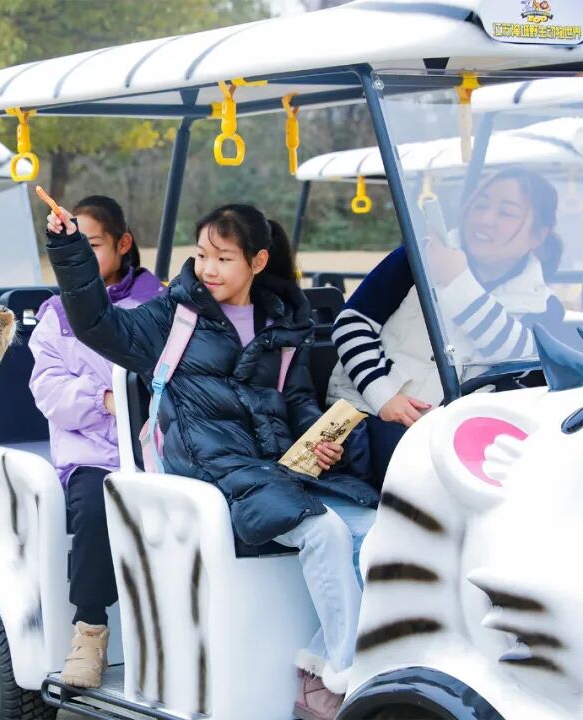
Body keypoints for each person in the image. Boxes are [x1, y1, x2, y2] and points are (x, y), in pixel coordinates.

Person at [45, 202, 377, 719]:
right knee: (325, 534)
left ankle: (323, 667)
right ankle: (347, 684)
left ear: (257, 261)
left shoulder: (282, 322)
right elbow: (97, 324)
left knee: (375, 530)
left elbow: (295, 399)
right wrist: (70, 251)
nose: (208, 269)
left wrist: (318, 441)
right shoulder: (172, 316)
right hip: (209, 469)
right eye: (202, 255)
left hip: (274, 469)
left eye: (223, 258)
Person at [327, 167, 566, 486]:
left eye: (506, 212)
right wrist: (384, 396)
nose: (486, 219)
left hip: (446, 438)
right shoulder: (417, 256)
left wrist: (457, 281)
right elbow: (351, 323)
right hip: (364, 417)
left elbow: (519, 354)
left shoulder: (543, 304)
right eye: (481, 204)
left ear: (538, 236)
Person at [27, 196, 165, 689]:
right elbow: (48, 388)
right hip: (91, 452)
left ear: (124, 244)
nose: (85, 258)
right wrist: (106, 399)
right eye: (77, 249)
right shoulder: (56, 315)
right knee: (94, 506)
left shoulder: (159, 302)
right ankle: (90, 630)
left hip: (156, 449)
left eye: (95, 246)